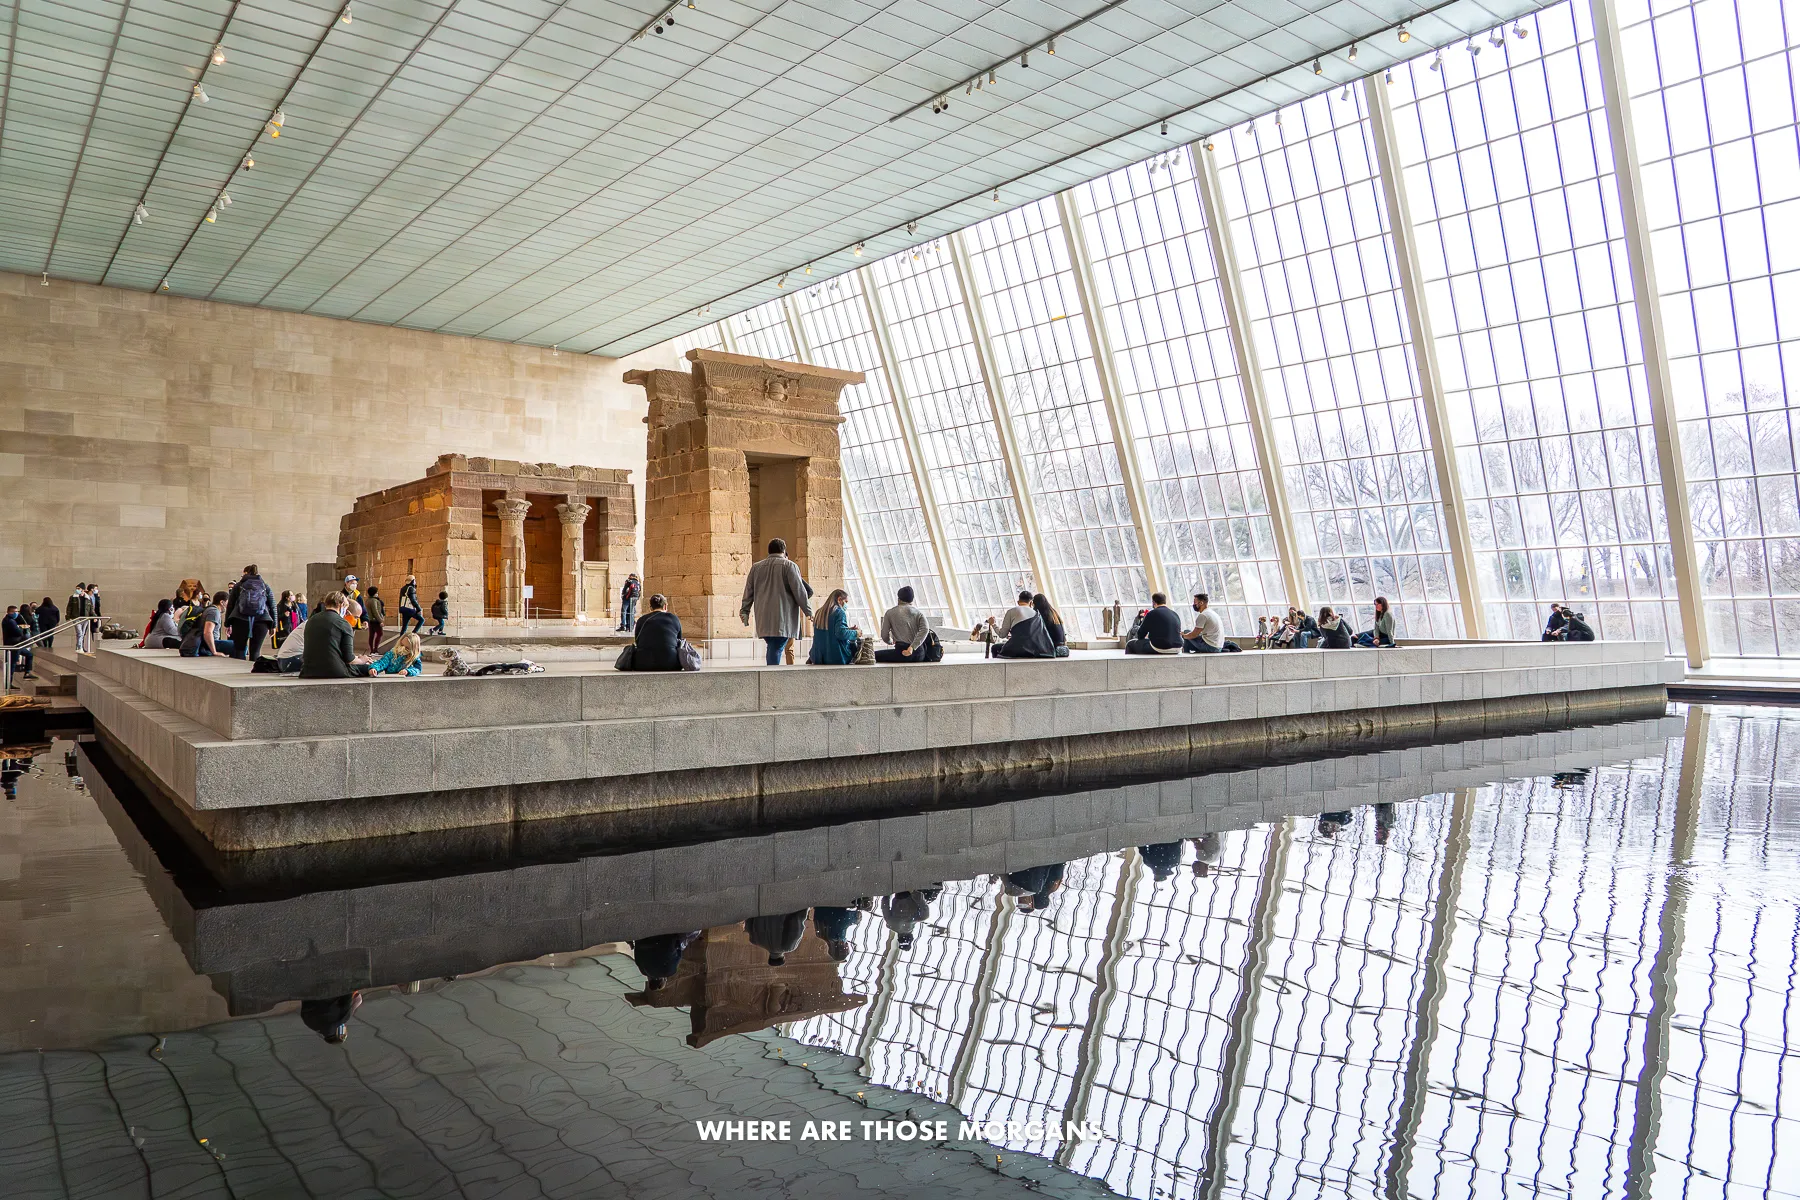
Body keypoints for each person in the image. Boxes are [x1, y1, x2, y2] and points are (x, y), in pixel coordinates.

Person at [740, 539, 812, 665]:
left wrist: (744, 611)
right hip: (783, 617)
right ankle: (771, 677)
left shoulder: (756, 567)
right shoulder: (789, 566)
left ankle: (770, 676)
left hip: (763, 617)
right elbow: (799, 591)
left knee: (773, 646)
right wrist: (808, 611)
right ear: (784, 550)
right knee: (776, 648)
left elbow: (748, 592)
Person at [299, 591, 358, 678]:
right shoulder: (343, 623)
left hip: (308, 670)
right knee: (366, 668)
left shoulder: (311, 620)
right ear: (341, 605)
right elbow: (349, 658)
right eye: (346, 607)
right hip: (334, 670)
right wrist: (362, 660)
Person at [227, 564, 277, 660]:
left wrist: (228, 624)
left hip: (240, 619)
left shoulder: (238, 586)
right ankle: (253, 671)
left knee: (240, 650)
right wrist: (273, 625)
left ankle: (238, 673)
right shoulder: (265, 586)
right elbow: (272, 606)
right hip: (262, 620)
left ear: (245, 573)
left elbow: (230, 605)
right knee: (255, 650)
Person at [622, 593, 683, 671]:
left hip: (642, 664)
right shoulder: (674, 618)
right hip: (671, 663)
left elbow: (637, 641)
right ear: (665, 606)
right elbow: (679, 640)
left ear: (650, 608)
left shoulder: (642, 620)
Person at [876, 585, 934, 664]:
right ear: (912, 599)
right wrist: (912, 647)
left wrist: (890, 641)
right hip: (919, 654)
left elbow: (884, 635)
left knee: (874, 655)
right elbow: (925, 629)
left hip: (901, 652)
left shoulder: (890, 613)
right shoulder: (918, 613)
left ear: (899, 599)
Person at [807, 588, 860, 665]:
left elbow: (828, 631)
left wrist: (848, 629)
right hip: (836, 657)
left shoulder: (819, 612)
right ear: (839, 599)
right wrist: (856, 633)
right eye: (846, 602)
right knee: (853, 644)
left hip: (818, 657)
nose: (846, 605)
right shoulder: (839, 612)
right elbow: (841, 633)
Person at [633, 931, 700, 990]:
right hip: (642, 939)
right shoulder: (643, 970)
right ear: (649, 980)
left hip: (666, 938)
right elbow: (637, 953)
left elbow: (679, 954)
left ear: (664, 979)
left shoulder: (669, 972)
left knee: (693, 934)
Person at [992, 600, 1057, 658]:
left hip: (1017, 649)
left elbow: (1002, 635)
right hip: (1038, 649)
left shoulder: (1011, 611)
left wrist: (993, 624)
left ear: (1018, 602)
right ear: (1031, 603)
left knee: (995, 647)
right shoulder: (1037, 614)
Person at [178, 592, 233, 657]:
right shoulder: (214, 612)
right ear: (222, 602)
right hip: (208, 644)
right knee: (240, 646)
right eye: (227, 602)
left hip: (203, 643)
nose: (228, 605)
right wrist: (214, 652)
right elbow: (207, 632)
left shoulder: (209, 609)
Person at [3, 605, 34, 682]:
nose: (17, 613)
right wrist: (21, 628)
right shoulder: (10, 621)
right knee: (13, 664)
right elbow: (18, 632)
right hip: (14, 645)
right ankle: (9, 682)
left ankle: (27, 672)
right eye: (15, 612)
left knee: (29, 654)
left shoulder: (8, 620)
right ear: (10, 612)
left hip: (16, 644)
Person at [363, 585, 387, 654]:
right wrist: (380, 621)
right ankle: (375, 649)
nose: (377, 593)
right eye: (377, 592)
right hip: (375, 621)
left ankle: (372, 650)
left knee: (371, 635)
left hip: (370, 620)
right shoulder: (374, 601)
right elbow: (375, 611)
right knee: (380, 634)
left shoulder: (368, 600)